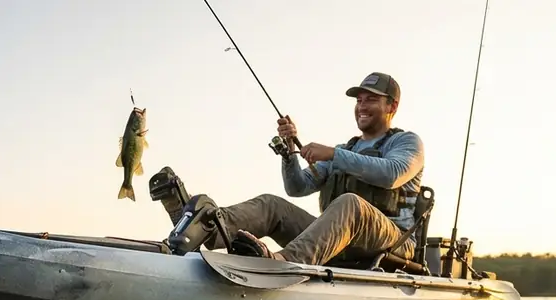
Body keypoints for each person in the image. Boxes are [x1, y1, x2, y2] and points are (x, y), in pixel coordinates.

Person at [172, 72, 425, 266]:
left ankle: (282, 262)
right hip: (337, 242)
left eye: (371, 100)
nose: (362, 106)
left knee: (350, 203)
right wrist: (290, 153)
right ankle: (204, 229)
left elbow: (392, 174)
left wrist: (334, 154)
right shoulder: (346, 149)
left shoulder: (406, 142)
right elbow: (297, 187)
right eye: (359, 101)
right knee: (272, 204)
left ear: (392, 106)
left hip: (394, 243)